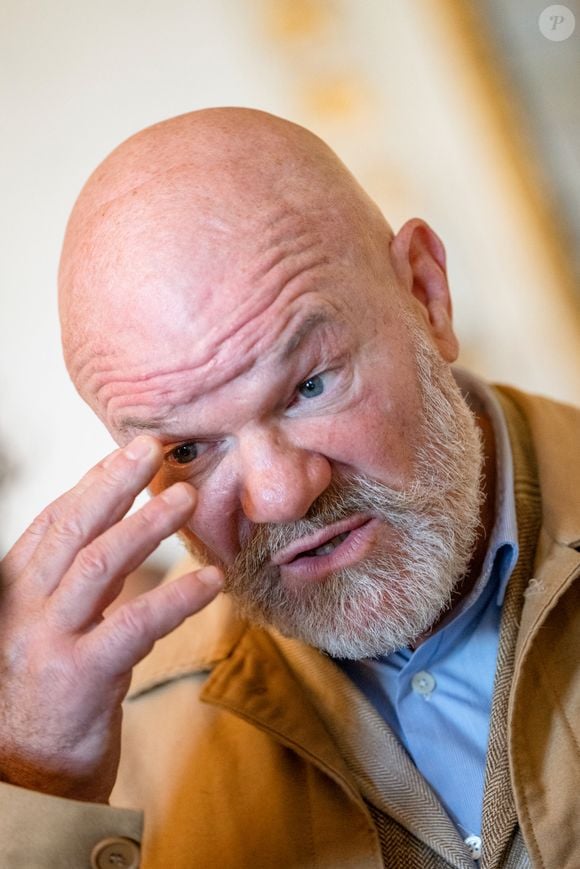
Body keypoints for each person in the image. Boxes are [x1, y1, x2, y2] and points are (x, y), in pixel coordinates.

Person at [0, 108, 578, 869]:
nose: (278, 497)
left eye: (309, 383)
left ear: (426, 294)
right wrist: (43, 789)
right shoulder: (101, 768)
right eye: (187, 447)